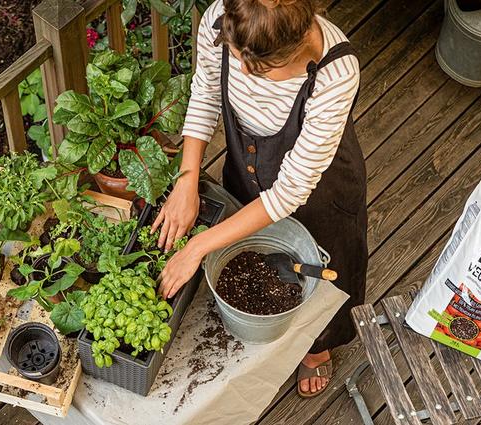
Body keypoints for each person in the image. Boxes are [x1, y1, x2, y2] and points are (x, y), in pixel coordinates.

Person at [152, 0, 367, 398]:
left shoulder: (335, 73)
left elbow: (289, 192)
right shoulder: (224, 18)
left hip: (319, 192)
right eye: (237, 58)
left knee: (328, 275)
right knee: (254, 261)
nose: (245, 73)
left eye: (260, 68)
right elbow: (204, 94)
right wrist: (187, 180)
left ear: (300, 43)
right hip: (246, 165)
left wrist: (196, 246)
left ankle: (318, 351)